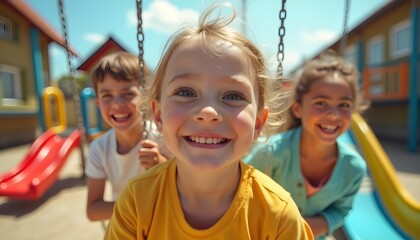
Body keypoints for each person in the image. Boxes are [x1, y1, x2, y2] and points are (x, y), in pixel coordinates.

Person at [104, 5, 314, 240]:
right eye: (185, 92)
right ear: (159, 115)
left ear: (258, 123)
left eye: (233, 96)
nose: (207, 112)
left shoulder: (279, 216)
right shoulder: (136, 201)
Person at [244, 50, 369, 239]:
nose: (334, 114)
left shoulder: (354, 168)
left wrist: (300, 228)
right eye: (321, 103)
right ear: (298, 109)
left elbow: (341, 210)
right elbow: (241, 194)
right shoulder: (270, 154)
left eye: (344, 105)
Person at [85, 51, 172, 221]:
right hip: (126, 225)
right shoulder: (99, 149)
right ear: (98, 103)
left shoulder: (163, 138)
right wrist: (138, 207)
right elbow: (93, 211)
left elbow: (188, 188)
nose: (117, 104)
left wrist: (161, 163)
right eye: (107, 96)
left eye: (128, 94)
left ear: (145, 98)